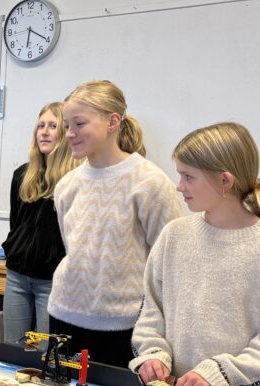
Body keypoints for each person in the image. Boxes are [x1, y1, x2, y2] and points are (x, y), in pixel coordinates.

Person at [130, 122, 260, 386]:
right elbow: (151, 311)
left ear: (225, 181)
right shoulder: (174, 235)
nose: (179, 186)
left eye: (188, 177)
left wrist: (220, 372)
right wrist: (153, 354)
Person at [47, 80, 184, 367]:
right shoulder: (67, 185)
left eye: (79, 124)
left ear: (113, 122)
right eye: (67, 125)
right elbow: (72, 248)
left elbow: (170, 263)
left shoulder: (150, 182)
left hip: (125, 326)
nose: (69, 133)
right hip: (64, 315)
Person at [1, 102, 78, 344]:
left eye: (53, 126)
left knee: (46, 353)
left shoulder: (74, 181)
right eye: (40, 126)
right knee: (15, 348)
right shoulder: (22, 176)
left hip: (52, 282)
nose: (44, 132)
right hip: (17, 277)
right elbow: (16, 225)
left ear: (66, 132)